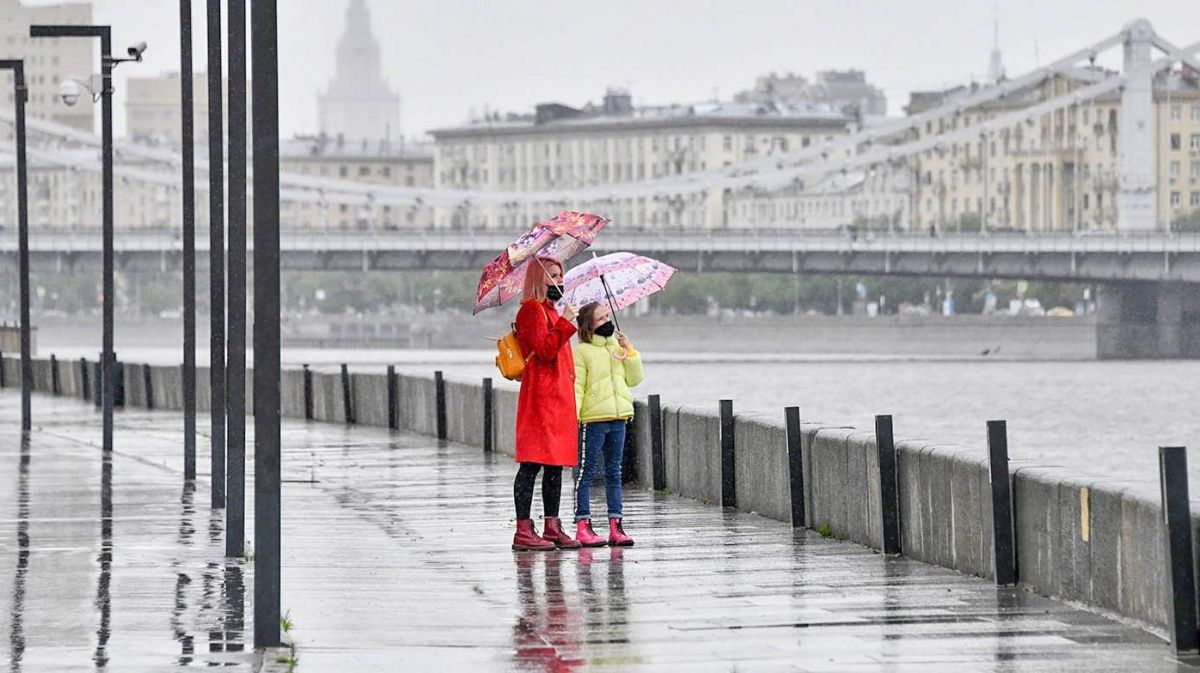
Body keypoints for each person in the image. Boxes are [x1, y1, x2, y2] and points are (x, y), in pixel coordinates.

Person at [511, 258, 582, 551]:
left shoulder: (551, 311)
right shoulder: (531, 310)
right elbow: (545, 350)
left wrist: (563, 320)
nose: (558, 281)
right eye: (552, 276)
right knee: (532, 464)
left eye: (560, 276)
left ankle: (552, 526)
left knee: (555, 466)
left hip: (559, 398)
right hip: (541, 400)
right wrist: (566, 322)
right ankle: (523, 530)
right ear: (538, 280)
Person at [572, 302, 643, 547]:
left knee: (615, 473)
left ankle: (616, 526)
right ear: (589, 325)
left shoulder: (616, 347)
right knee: (586, 472)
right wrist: (575, 415)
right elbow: (577, 387)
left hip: (619, 417)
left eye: (607, 316)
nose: (607, 321)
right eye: (601, 319)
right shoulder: (581, 352)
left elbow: (634, 379)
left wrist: (630, 351)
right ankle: (583, 524)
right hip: (593, 420)